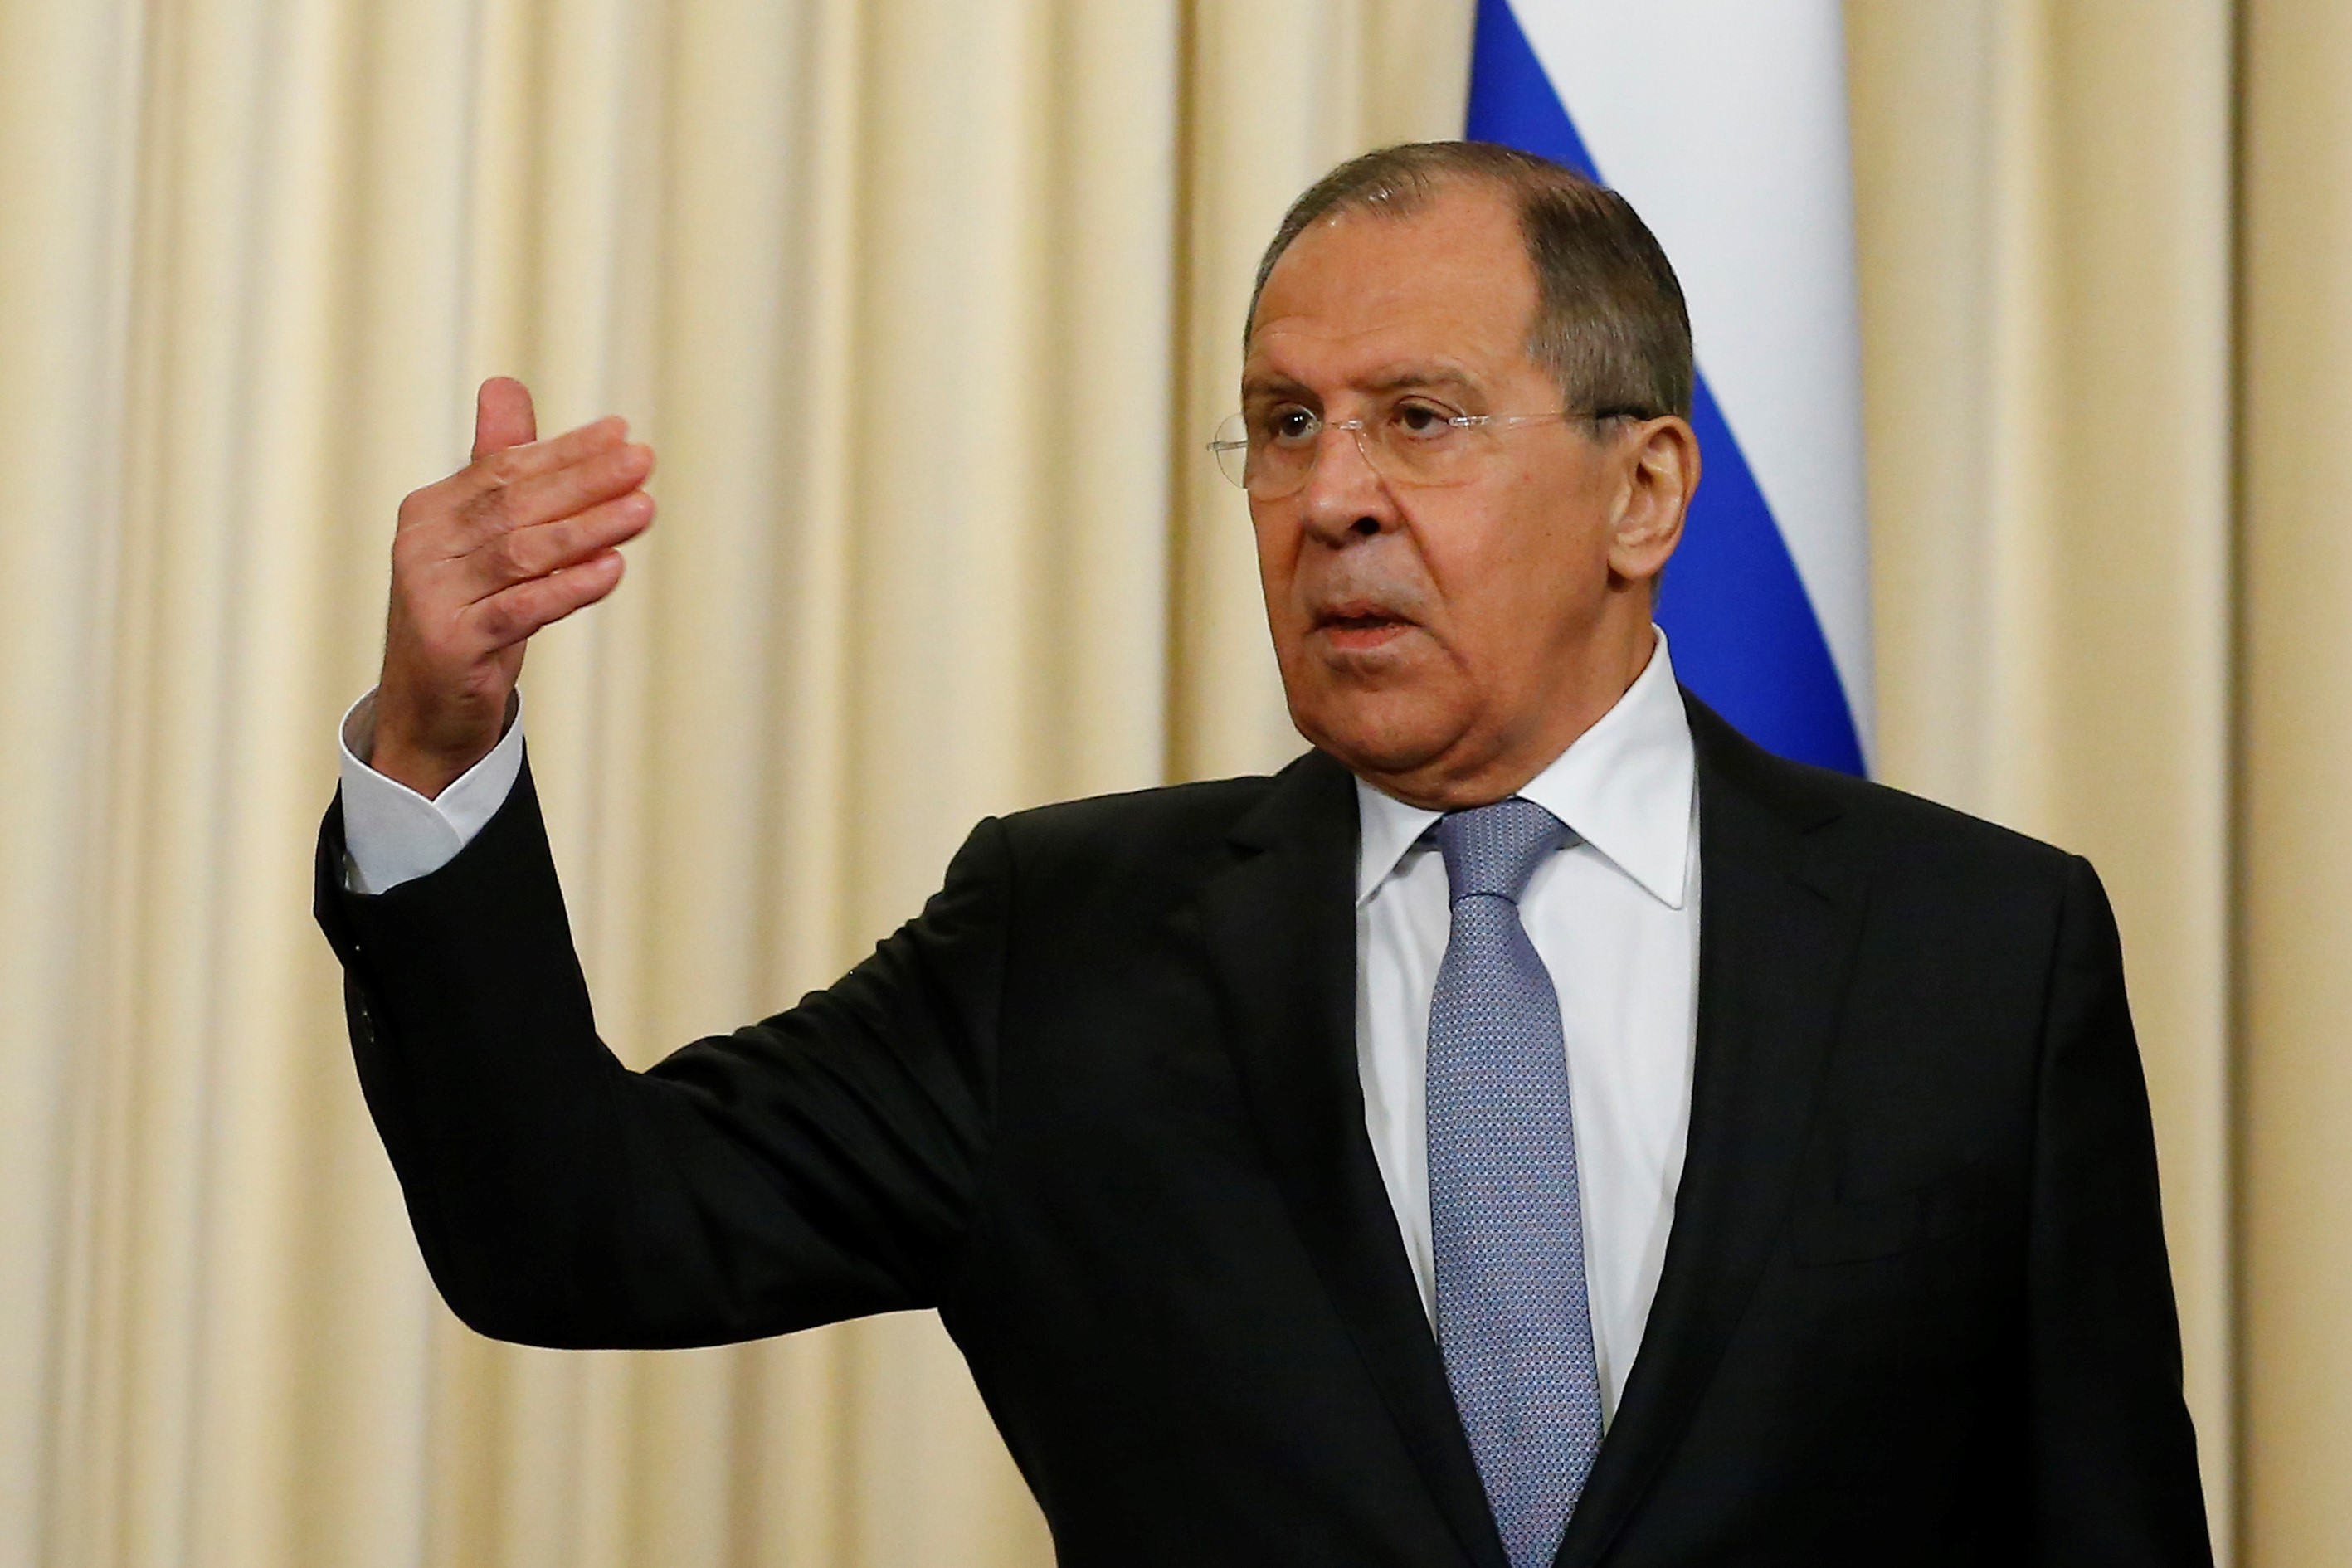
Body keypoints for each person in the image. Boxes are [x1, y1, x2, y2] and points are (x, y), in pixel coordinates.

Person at [316, 142, 2213, 1566]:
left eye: (1419, 421)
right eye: (1282, 428)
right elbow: (572, 1227)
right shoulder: (1057, 945)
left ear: (1641, 491)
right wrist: (435, 750)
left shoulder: (1978, 950)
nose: (1329, 501)